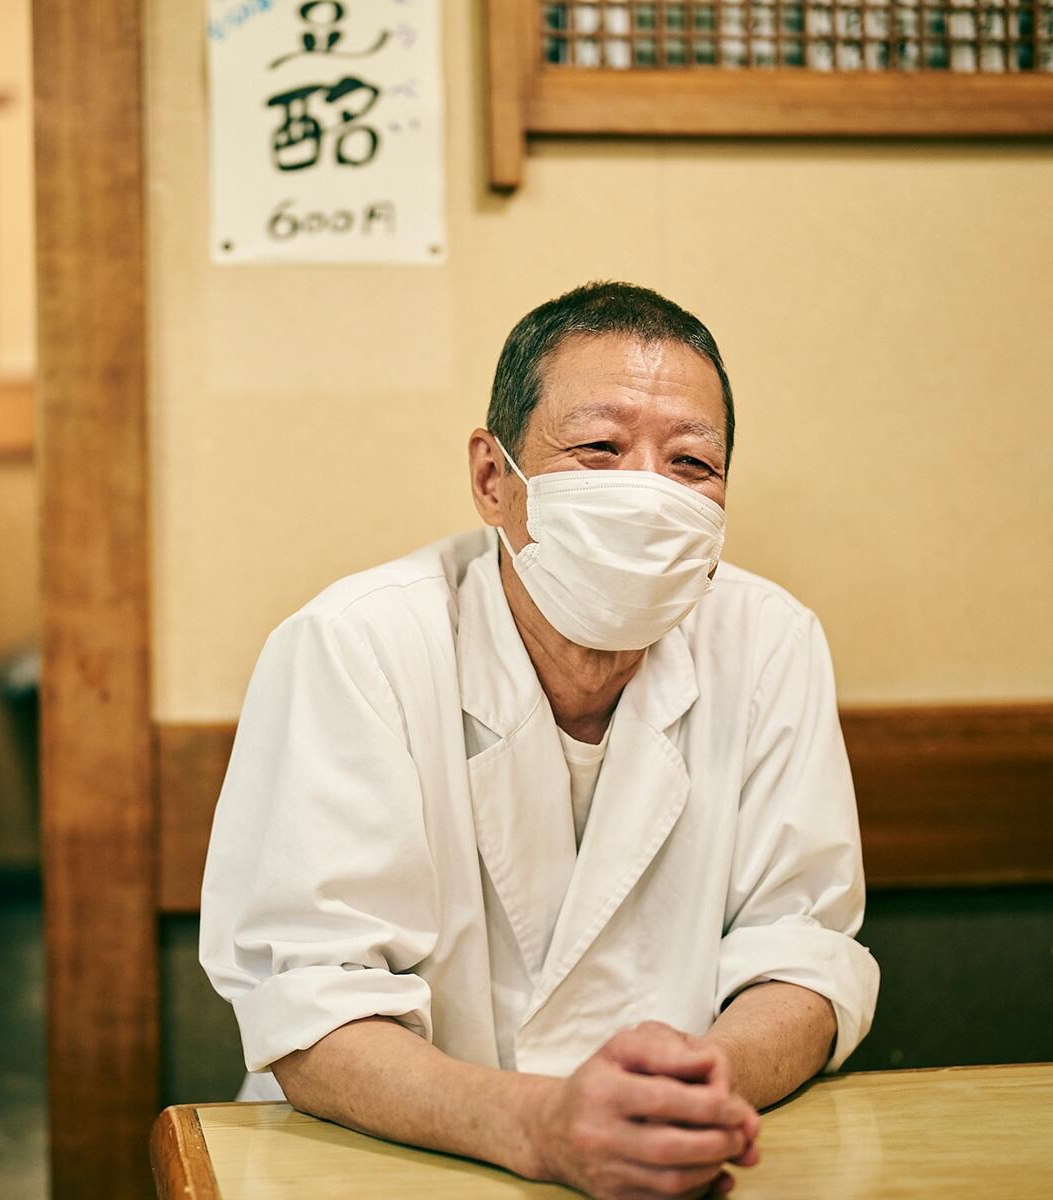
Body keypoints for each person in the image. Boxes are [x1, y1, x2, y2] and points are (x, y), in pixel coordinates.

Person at [199, 281, 879, 1200]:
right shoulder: (357, 644)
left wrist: (684, 1097)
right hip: (382, 1162)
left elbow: (802, 951)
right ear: (493, 477)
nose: (646, 494)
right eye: (598, 448)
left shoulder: (769, 641)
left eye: (691, 464)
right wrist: (538, 1126)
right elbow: (313, 1008)